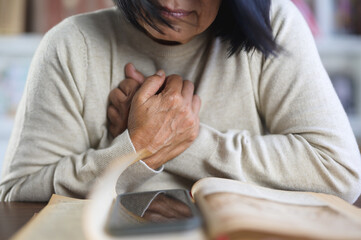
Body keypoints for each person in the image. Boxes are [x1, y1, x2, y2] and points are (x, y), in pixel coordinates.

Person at [1, 0, 360, 202]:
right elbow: (17, 193)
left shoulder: (275, 23)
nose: (172, 2)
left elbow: (340, 173)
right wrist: (137, 148)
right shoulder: (70, 44)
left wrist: (174, 139)